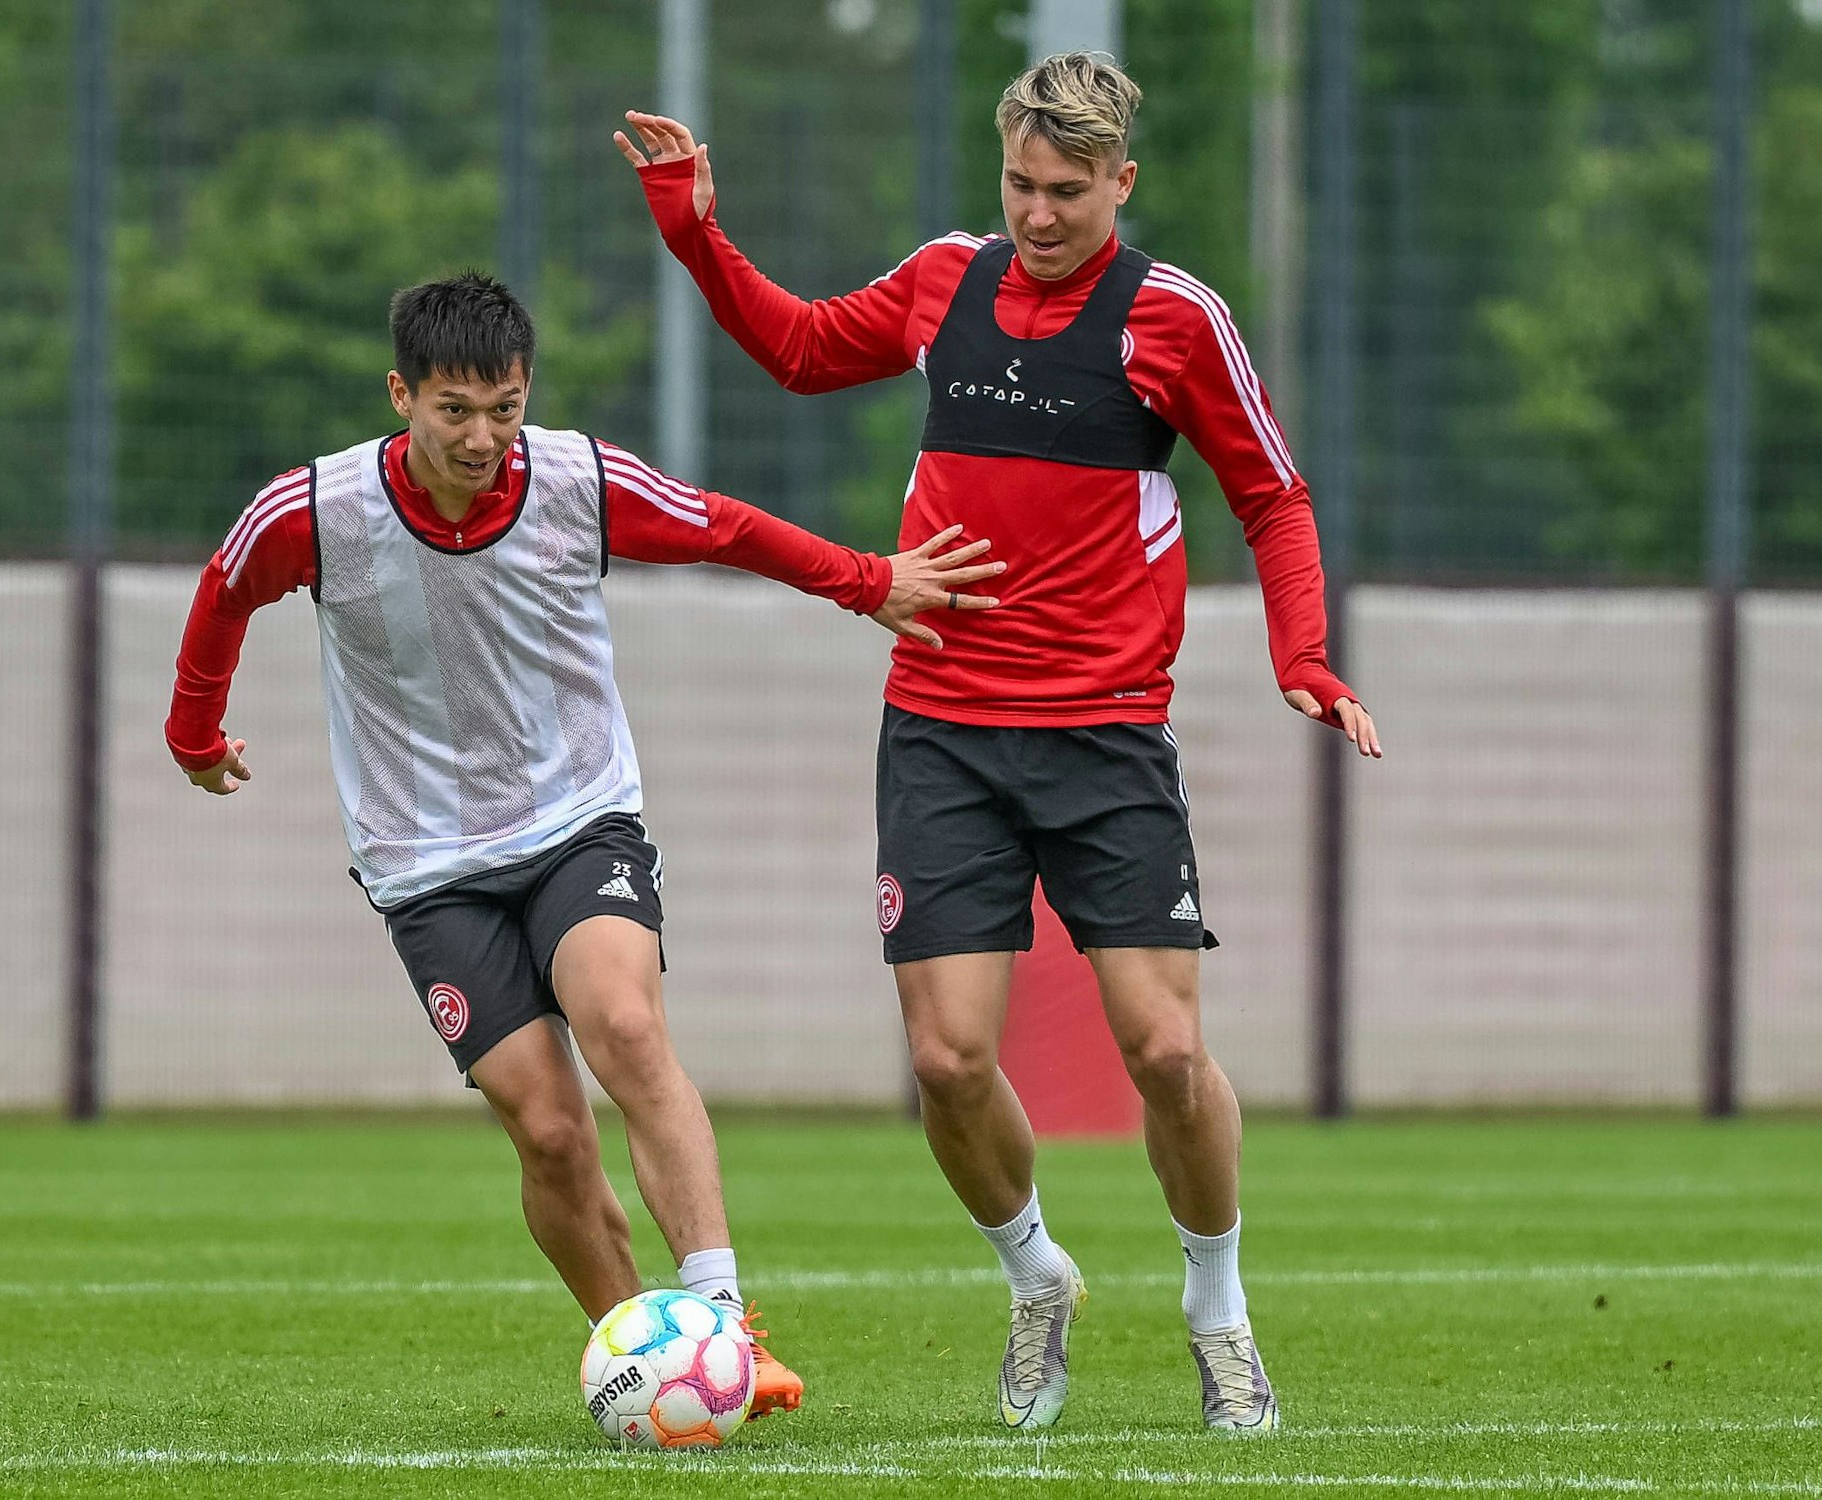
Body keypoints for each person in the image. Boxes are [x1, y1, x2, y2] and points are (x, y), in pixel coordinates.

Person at [615, 51, 1381, 1433]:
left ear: (1121, 183)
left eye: (1069, 191)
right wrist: (693, 230)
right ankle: (1036, 1280)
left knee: (1161, 1051)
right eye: (1022, 183)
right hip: (944, 732)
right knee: (950, 1063)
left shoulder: (1174, 320)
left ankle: (1219, 1310)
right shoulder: (943, 281)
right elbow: (797, 350)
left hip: (1104, 739)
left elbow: (1273, 496)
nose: (1039, 213)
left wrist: (1305, 657)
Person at [163, 271, 1003, 1421]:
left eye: (503, 407)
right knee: (551, 1134)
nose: (481, 436)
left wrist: (868, 583)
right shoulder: (316, 511)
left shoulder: (574, 480)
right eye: (453, 410)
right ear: (400, 394)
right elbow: (223, 591)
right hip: (424, 863)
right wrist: (192, 733)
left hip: (575, 820)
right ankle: (642, 1361)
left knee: (623, 1024)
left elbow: (725, 526)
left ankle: (721, 1332)